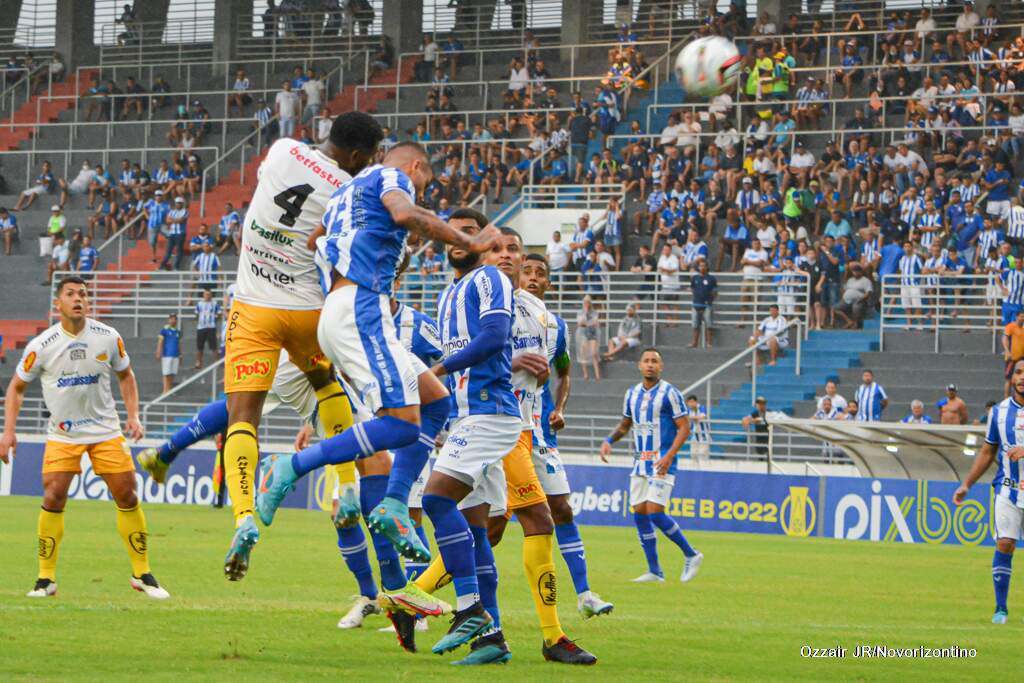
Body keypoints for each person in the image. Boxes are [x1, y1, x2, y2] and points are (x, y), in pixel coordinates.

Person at [254, 150, 500, 594]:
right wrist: (474, 243)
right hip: (361, 307)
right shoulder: (391, 176)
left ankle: (392, 504)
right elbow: (406, 214)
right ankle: (289, 466)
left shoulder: (341, 198)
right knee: (402, 424)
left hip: (347, 307)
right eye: (423, 182)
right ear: (414, 168)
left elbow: (313, 241)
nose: (420, 190)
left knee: (435, 401)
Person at [207, 113, 385, 581]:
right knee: (327, 388)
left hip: (252, 307)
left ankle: (244, 514)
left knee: (242, 418)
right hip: (308, 310)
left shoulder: (284, 149)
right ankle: (346, 486)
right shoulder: (350, 189)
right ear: (357, 156)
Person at [1, 276, 168, 600]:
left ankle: (142, 573)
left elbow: (126, 376)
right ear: (58, 303)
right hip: (64, 435)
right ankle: (45, 579)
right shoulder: (42, 345)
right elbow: (16, 388)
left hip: (105, 430)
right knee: (53, 495)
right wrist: (9, 431)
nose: (78, 298)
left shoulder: (108, 337)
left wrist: (133, 415)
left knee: (127, 494)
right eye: (71, 294)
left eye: (83, 294)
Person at [600, 348, 703, 584]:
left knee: (655, 511)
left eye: (654, 361)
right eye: (646, 361)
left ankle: (691, 553)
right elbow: (626, 424)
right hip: (640, 462)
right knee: (639, 513)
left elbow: (684, 427)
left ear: (661, 366)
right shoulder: (632, 394)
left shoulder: (670, 393)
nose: (650, 365)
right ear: (639, 365)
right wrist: (608, 441)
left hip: (662, 461)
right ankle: (655, 571)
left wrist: (669, 456)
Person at [954, 358, 1024, 624]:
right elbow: (987, 451)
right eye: (1018, 372)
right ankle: (1001, 609)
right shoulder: (999, 412)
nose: (1022, 377)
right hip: (1007, 488)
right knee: (1005, 543)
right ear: (1011, 378)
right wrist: (967, 484)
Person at [834, 263, 872, 329]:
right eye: (854, 271)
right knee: (835, 308)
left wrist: (861, 299)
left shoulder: (866, 280)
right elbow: (844, 288)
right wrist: (844, 296)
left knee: (856, 307)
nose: (855, 273)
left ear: (860, 272)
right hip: (847, 301)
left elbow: (868, 292)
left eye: (857, 271)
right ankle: (849, 321)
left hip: (859, 300)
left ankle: (855, 324)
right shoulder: (850, 280)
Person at [689, 259, 716, 348]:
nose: (702, 267)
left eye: (704, 265)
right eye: (700, 266)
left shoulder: (711, 278)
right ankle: (694, 343)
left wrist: (710, 299)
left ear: (707, 267)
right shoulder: (695, 278)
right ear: (698, 267)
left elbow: (714, 291)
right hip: (696, 304)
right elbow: (692, 289)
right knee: (695, 325)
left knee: (709, 325)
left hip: (707, 305)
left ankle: (709, 343)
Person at [576, 294, 601, 381]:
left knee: (594, 353)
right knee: (583, 353)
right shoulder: (580, 312)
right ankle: (585, 374)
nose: (587, 304)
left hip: (592, 333)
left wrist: (587, 323)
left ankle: (597, 375)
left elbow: (595, 323)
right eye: (585, 302)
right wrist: (585, 313)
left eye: (588, 302)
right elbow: (580, 323)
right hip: (583, 334)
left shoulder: (595, 312)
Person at [194, 289, 221, 369]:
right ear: (203, 295)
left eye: (209, 294)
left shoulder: (214, 303)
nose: (207, 296)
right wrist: (200, 321)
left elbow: (219, 314)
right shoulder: (199, 304)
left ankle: (216, 362)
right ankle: (199, 362)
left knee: (214, 346)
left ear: (211, 295)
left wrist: (214, 320)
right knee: (200, 346)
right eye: (206, 294)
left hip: (211, 327)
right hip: (201, 327)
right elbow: (196, 314)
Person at [156, 312, 181, 394]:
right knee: (166, 372)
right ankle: (165, 390)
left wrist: (180, 354)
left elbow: (179, 343)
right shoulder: (164, 330)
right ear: (168, 319)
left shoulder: (178, 331)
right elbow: (160, 342)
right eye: (171, 318)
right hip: (167, 354)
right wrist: (158, 352)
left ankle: (170, 389)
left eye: (174, 318)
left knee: (172, 373)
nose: (173, 320)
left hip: (175, 354)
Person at [685, 395, 711, 460]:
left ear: (696, 402)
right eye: (689, 402)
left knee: (703, 456)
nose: (691, 404)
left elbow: (702, 417)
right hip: (694, 436)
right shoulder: (688, 410)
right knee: (693, 455)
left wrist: (690, 418)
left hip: (704, 436)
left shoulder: (702, 408)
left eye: (692, 402)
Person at [1004, 310, 1024, 396]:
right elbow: (1005, 338)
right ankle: (1005, 400)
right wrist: (1007, 351)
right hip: (1012, 358)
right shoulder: (1011, 326)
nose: (1022, 318)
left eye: (1023, 317)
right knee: (1009, 379)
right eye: (1021, 316)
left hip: (1022, 359)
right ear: (1016, 317)